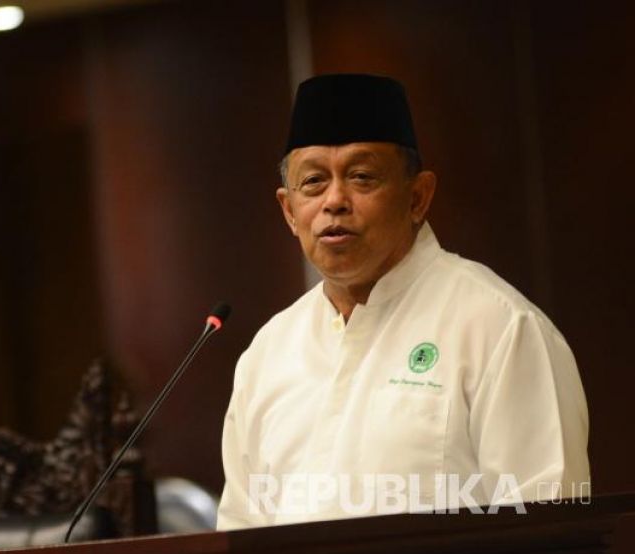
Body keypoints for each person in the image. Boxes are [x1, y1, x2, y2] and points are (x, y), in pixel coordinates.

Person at [216, 74, 589, 530]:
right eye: (313, 182)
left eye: (362, 177)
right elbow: (241, 540)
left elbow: (552, 541)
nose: (335, 200)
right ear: (289, 212)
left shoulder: (499, 327)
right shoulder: (268, 355)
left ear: (417, 197)